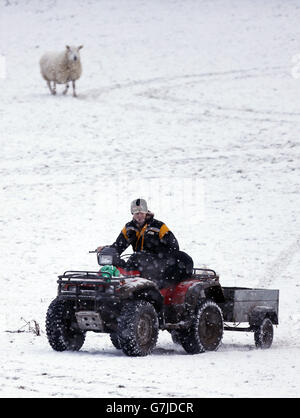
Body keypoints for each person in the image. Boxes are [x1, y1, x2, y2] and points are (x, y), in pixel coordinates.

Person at [97, 198, 194, 288]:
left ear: (146, 212)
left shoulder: (159, 226)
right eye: (136, 213)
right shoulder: (129, 228)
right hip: (140, 260)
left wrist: (158, 254)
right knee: (127, 261)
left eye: (141, 213)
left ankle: (158, 287)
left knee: (138, 257)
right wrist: (107, 249)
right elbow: (119, 246)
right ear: (132, 214)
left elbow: (173, 246)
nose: (139, 216)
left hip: (159, 261)